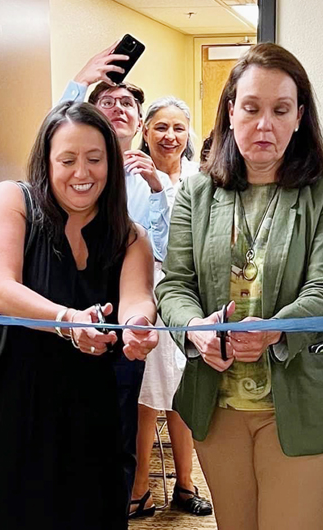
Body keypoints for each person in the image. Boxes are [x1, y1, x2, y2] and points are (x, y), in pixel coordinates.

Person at [156, 43, 323, 530]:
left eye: (280, 110)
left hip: (304, 405)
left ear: (299, 117)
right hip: (217, 406)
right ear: (231, 113)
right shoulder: (196, 192)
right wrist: (193, 329)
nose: (264, 124)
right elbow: (174, 285)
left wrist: (274, 329)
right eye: (251, 108)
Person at [0, 101, 159, 530]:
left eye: (95, 160)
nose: (83, 173)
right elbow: (0, 290)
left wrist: (137, 329)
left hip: (89, 418)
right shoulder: (11, 201)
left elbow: (137, 300)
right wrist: (68, 321)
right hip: (6, 411)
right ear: (47, 160)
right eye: (68, 160)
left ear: (111, 164)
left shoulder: (130, 236)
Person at [58, 44, 174, 510]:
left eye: (127, 103)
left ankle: (118, 507)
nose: (118, 108)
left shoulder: (150, 178)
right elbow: (52, 133)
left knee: (121, 422)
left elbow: (163, 252)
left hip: (127, 313)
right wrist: (80, 81)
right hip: (64, 310)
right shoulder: (70, 165)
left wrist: (157, 190)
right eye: (107, 101)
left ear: (139, 120)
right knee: (62, 425)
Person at [131, 97, 213, 518]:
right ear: (145, 130)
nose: (170, 136)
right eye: (161, 127)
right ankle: (140, 488)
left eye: (178, 128)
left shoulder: (202, 181)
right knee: (147, 394)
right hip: (143, 290)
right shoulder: (130, 176)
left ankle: (185, 484)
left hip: (189, 296)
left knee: (184, 391)